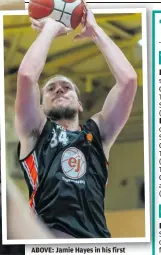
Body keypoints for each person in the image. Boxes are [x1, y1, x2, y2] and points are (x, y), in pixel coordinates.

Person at [15, 3, 137, 239]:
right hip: (50, 242)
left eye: (67, 87)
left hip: (97, 243)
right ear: (40, 107)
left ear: (80, 104)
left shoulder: (98, 133)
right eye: (51, 88)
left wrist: (95, 31)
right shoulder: (35, 131)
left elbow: (129, 80)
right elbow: (27, 76)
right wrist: (51, 28)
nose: (59, 90)